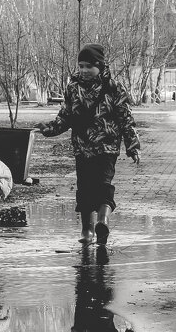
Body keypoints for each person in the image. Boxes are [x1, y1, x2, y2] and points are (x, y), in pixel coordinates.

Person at [34, 43, 140, 245]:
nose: (83, 70)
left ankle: (103, 220)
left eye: (88, 66)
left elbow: (126, 119)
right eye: (81, 66)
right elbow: (65, 117)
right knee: (84, 188)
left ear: (99, 66)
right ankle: (87, 230)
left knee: (103, 185)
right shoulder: (73, 88)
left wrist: (132, 146)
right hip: (82, 148)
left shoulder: (114, 88)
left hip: (106, 148)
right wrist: (48, 129)